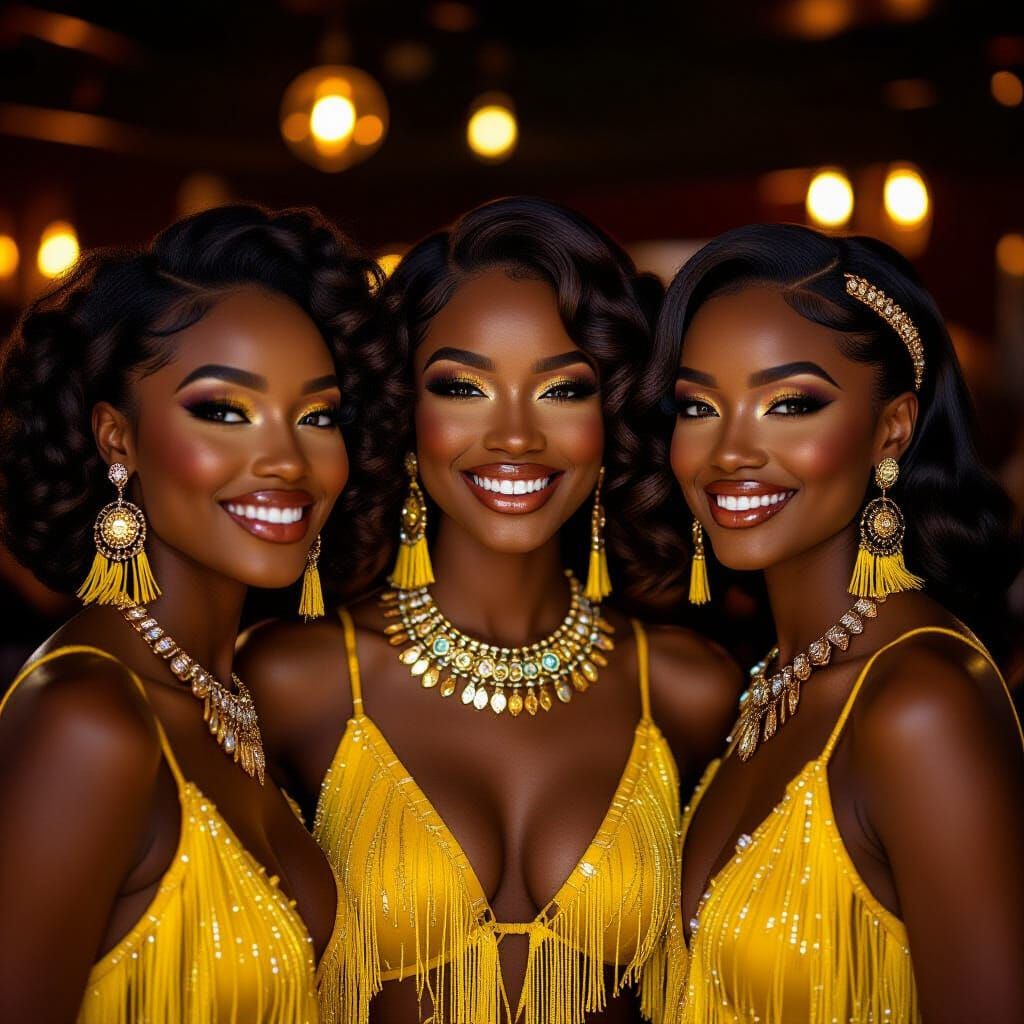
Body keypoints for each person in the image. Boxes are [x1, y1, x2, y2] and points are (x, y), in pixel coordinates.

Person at [237, 196, 741, 1024]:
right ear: (404, 411)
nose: (514, 436)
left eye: (562, 390)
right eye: (464, 386)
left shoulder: (689, 690)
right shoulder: (292, 679)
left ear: (609, 414)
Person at [0, 204, 399, 1023]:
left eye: (317, 416)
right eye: (223, 410)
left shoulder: (236, 703)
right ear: (117, 439)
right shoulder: (89, 723)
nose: (288, 458)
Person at [644, 223, 1024, 1023]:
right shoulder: (768, 683)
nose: (731, 451)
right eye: (700, 405)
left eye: (790, 404)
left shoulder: (920, 709)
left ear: (892, 427)